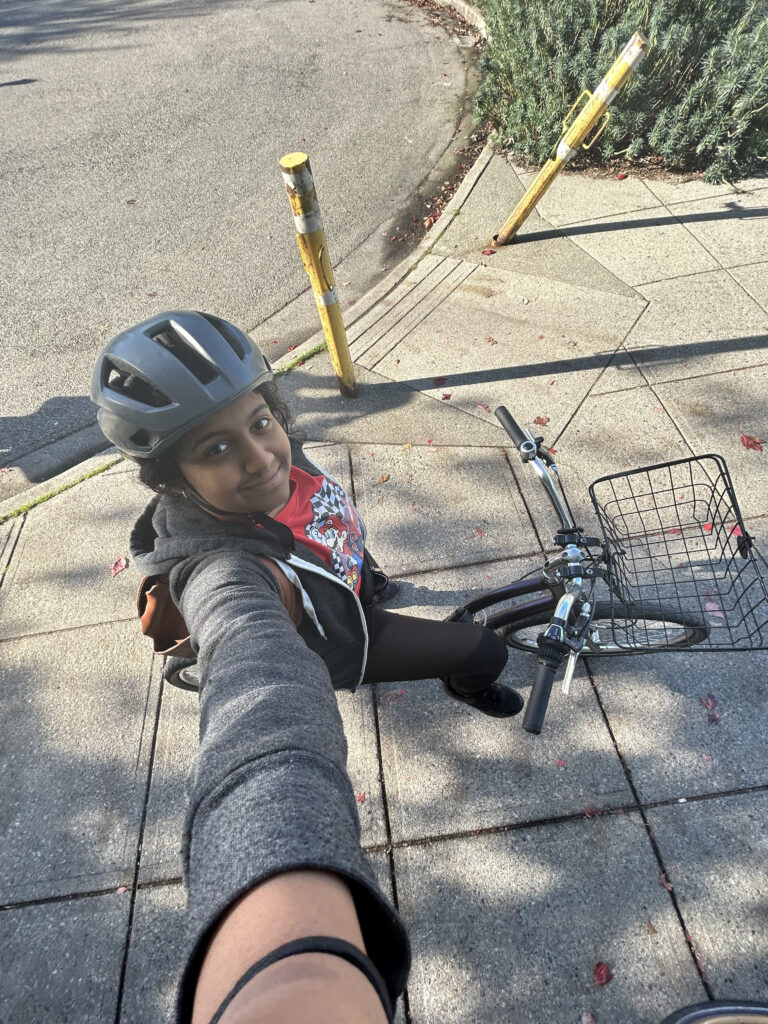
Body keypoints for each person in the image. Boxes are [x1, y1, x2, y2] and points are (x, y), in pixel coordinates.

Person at [91, 311, 524, 1024]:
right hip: (342, 643)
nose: (261, 457)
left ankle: (381, 594)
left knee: (360, 566)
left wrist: (361, 570)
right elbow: (254, 689)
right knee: (486, 646)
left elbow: (323, 518)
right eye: (218, 447)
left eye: (262, 422)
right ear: (173, 478)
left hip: (347, 589)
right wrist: (277, 897)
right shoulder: (220, 571)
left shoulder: (280, 466)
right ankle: (466, 678)